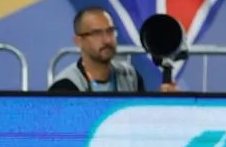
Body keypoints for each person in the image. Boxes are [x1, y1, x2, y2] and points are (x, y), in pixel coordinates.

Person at [49, 8, 177, 93]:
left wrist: (165, 104)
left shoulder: (130, 76)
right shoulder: (65, 87)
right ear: (78, 41)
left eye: (110, 31)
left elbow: (140, 120)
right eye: (96, 33)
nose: (106, 40)